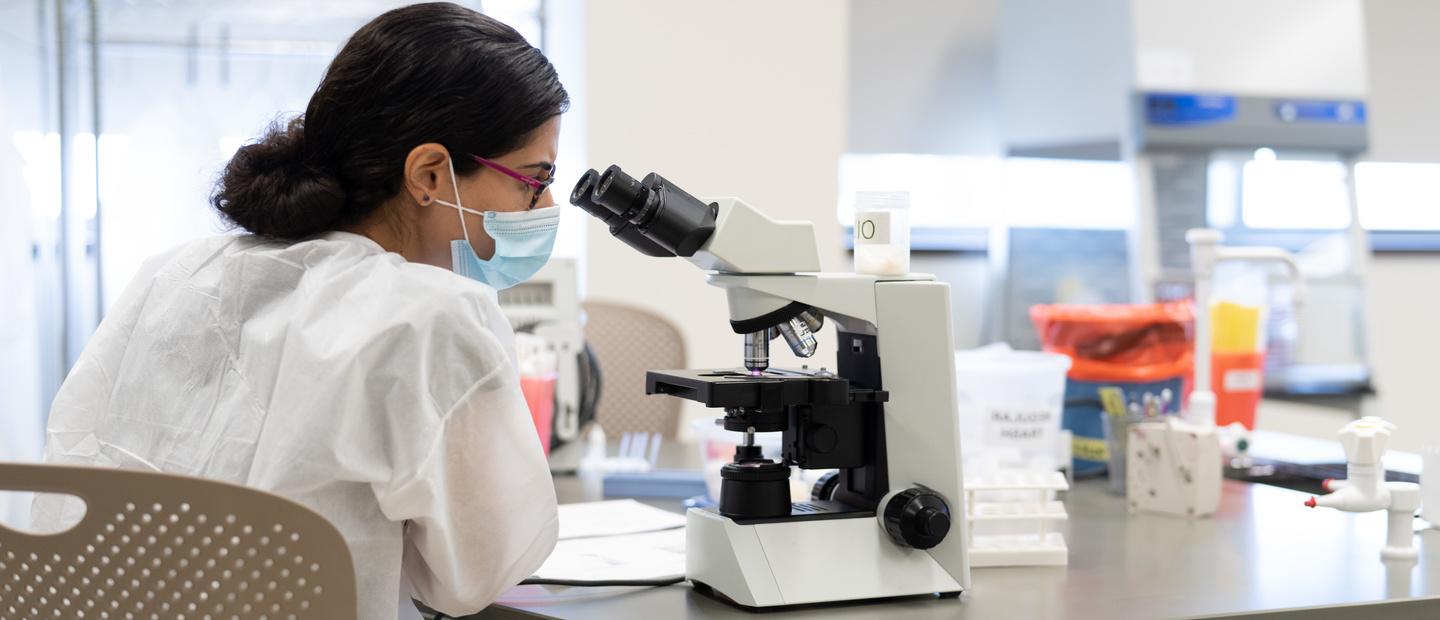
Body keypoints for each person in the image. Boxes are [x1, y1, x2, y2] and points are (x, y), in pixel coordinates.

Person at [32, 3, 567, 618]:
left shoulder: (178, 271)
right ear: (428, 173)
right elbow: (472, 578)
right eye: (534, 178)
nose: (545, 203)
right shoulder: (432, 316)